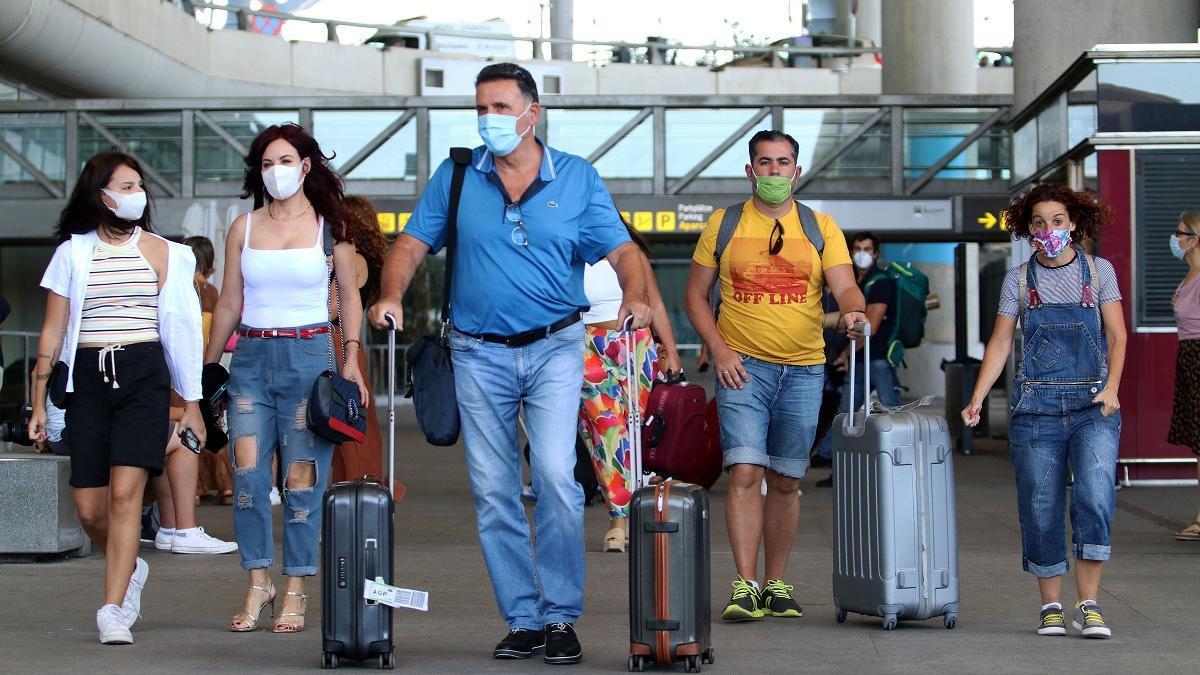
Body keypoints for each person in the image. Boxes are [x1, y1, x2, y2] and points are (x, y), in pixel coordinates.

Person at [368, 62, 651, 665]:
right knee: (495, 491)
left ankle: (560, 616)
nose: (489, 120)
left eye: (500, 108)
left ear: (532, 112)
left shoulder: (574, 178)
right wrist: (391, 294)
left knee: (553, 475)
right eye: (481, 109)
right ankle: (524, 619)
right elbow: (412, 243)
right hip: (476, 352)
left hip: (555, 346)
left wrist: (637, 294)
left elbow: (623, 248)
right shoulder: (458, 174)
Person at [684, 130, 866, 622]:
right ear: (750, 171)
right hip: (742, 367)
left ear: (796, 171)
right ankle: (744, 586)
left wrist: (853, 313)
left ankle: (776, 584)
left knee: (786, 480)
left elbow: (845, 286)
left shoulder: (820, 226)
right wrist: (719, 351)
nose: (774, 172)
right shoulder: (723, 225)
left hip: (804, 370)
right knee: (745, 471)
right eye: (764, 163)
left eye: (783, 163)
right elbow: (695, 297)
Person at [26, 150, 206, 645]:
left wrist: (192, 401)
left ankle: (112, 609)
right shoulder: (73, 253)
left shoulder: (167, 252)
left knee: (127, 493)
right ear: (100, 194)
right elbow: (51, 331)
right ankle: (128, 569)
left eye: (138, 185)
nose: (136, 194)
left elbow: (185, 331)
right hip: (85, 376)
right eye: (125, 186)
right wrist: (39, 402)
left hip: (143, 373)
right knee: (89, 507)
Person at [205, 124, 369, 634]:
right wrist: (209, 370)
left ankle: (296, 583)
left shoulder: (331, 227)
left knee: (302, 480)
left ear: (305, 166)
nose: (275, 170)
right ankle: (259, 580)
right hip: (251, 357)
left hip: (309, 357)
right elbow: (230, 301)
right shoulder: (243, 227)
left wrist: (351, 361)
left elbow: (350, 298)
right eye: (266, 162)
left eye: (285, 160)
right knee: (249, 477)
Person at [962, 184, 1125, 639]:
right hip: (1035, 408)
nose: (1048, 229)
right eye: (1039, 222)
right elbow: (999, 342)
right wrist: (977, 396)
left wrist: (1112, 388)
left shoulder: (1099, 271)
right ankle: (1051, 606)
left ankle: (1089, 604)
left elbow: (1118, 336)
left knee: (1095, 496)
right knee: (1040, 505)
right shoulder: (1017, 280)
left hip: (1095, 405)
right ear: (1027, 228)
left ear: (1073, 224)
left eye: (1057, 221)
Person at [578, 220, 681, 553]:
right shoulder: (570, 249)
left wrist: (671, 352)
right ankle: (618, 521)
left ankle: (644, 509)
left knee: (640, 431)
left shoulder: (630, 253)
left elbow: (658, 304)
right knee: (607, 434)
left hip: (635, 344)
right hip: (585, 346)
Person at [329, 195, 387, 486]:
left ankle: (354, 492)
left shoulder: (353, 260)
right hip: (347, 346)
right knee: (351, 425)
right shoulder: (367, 261)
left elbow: (333, 309)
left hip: (338, 344)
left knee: (347, 428)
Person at [184, 236, 234, 506]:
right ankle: (226, 485)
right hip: (212, 367)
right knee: (215, 425)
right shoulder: (213, 293)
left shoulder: (180, 289)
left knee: (189, 425)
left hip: (185, 369)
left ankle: (195, 486)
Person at [1169, 212, 1200, 541]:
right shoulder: (1190, 274)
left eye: (1180, 233)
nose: (1175, 239)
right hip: (1190, 357)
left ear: (1194, 238)